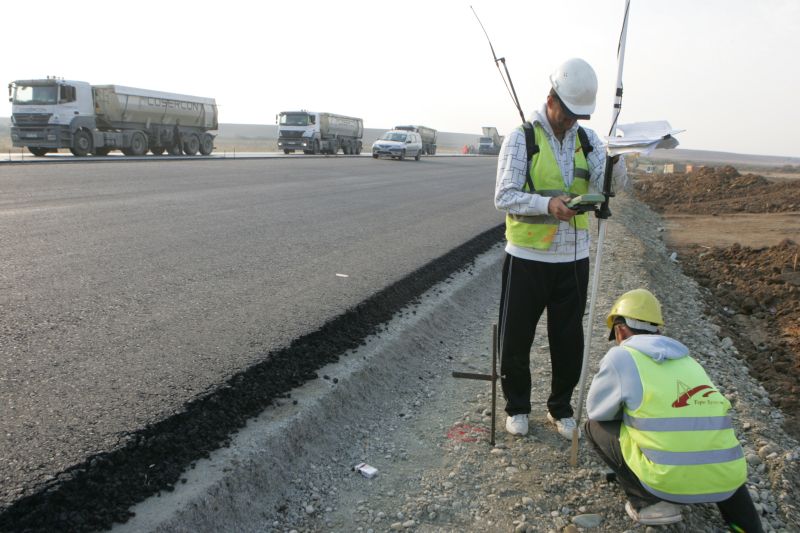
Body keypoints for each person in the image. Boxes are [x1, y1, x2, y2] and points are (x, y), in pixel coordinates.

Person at [494, 57, 627, 439]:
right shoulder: (523, 137)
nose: (570, 122)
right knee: (516, 338)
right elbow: (504, 195)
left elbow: (618, 187)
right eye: (567, 114)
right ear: (551, 98)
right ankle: (517, 407)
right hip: (527, 258)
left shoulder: (587, 142)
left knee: (568, 339)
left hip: (573, 258)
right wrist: (547, 205)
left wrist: (618, 157)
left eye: (577, 117)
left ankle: (561, 408)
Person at [584, 288, 763, 531]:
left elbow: (597, 411)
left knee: (594, 427)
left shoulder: (622, 356)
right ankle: (746, 525)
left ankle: (649, 503)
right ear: (658, 329)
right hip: (728, 478)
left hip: (668, 482)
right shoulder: (689, 361)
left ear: (620, 329)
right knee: (713, 450)